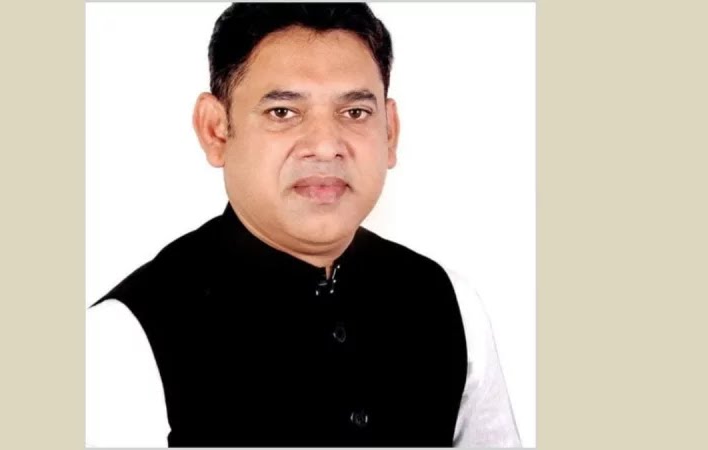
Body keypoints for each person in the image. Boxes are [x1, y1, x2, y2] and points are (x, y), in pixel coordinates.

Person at [86, 3, 521, 448]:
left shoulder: (450, 302)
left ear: (390, 132)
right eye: (283, 112)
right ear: (215, 130)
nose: (326, 146)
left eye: (355, 112)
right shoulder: (122, 339)